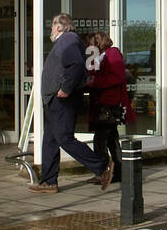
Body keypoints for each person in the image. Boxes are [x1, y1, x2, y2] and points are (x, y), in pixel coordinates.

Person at [29, 14, 113, 193]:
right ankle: (49, 181)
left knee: (64, 138)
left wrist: (65, 89)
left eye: (52, 25)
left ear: (59, 27)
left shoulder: (68, 40)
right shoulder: (66, 42)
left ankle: (102, 165)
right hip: (54, 99)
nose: (51, 29)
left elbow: (75, 65)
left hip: (62, 100)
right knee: (50, 141)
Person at [86, 30, 132, 184]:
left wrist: (95, 82)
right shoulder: (100, 56)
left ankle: (104, 172)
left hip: (109, 104)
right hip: (103, 103)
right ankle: (118, 173)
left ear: (99, 42)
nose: (90, 46)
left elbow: (118, 77)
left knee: (100, 139)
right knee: (112, 140)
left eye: (92, 43)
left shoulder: (112, 54)